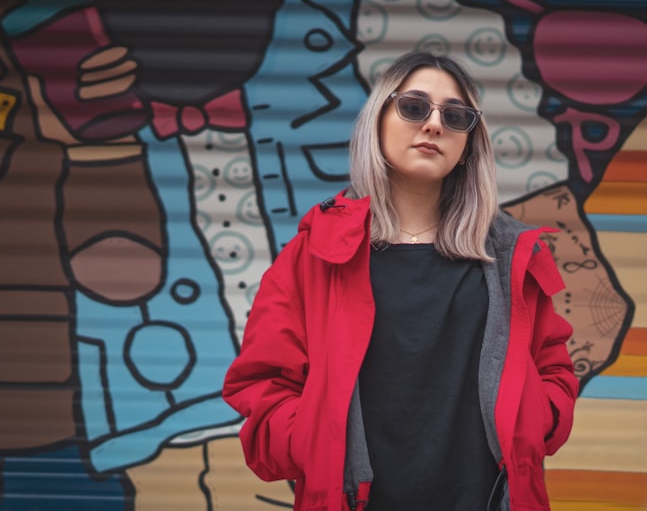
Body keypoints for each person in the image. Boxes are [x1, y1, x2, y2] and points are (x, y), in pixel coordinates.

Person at [222, 51, 578, 511]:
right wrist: (318, 442)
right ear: (378, 120)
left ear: (470, 142)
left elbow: (554, 372)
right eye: (414, 106)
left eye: (456, 116)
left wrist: (530, 422)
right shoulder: (315, 254)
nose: (433, 125)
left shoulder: (508, 256)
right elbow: (261, 382)